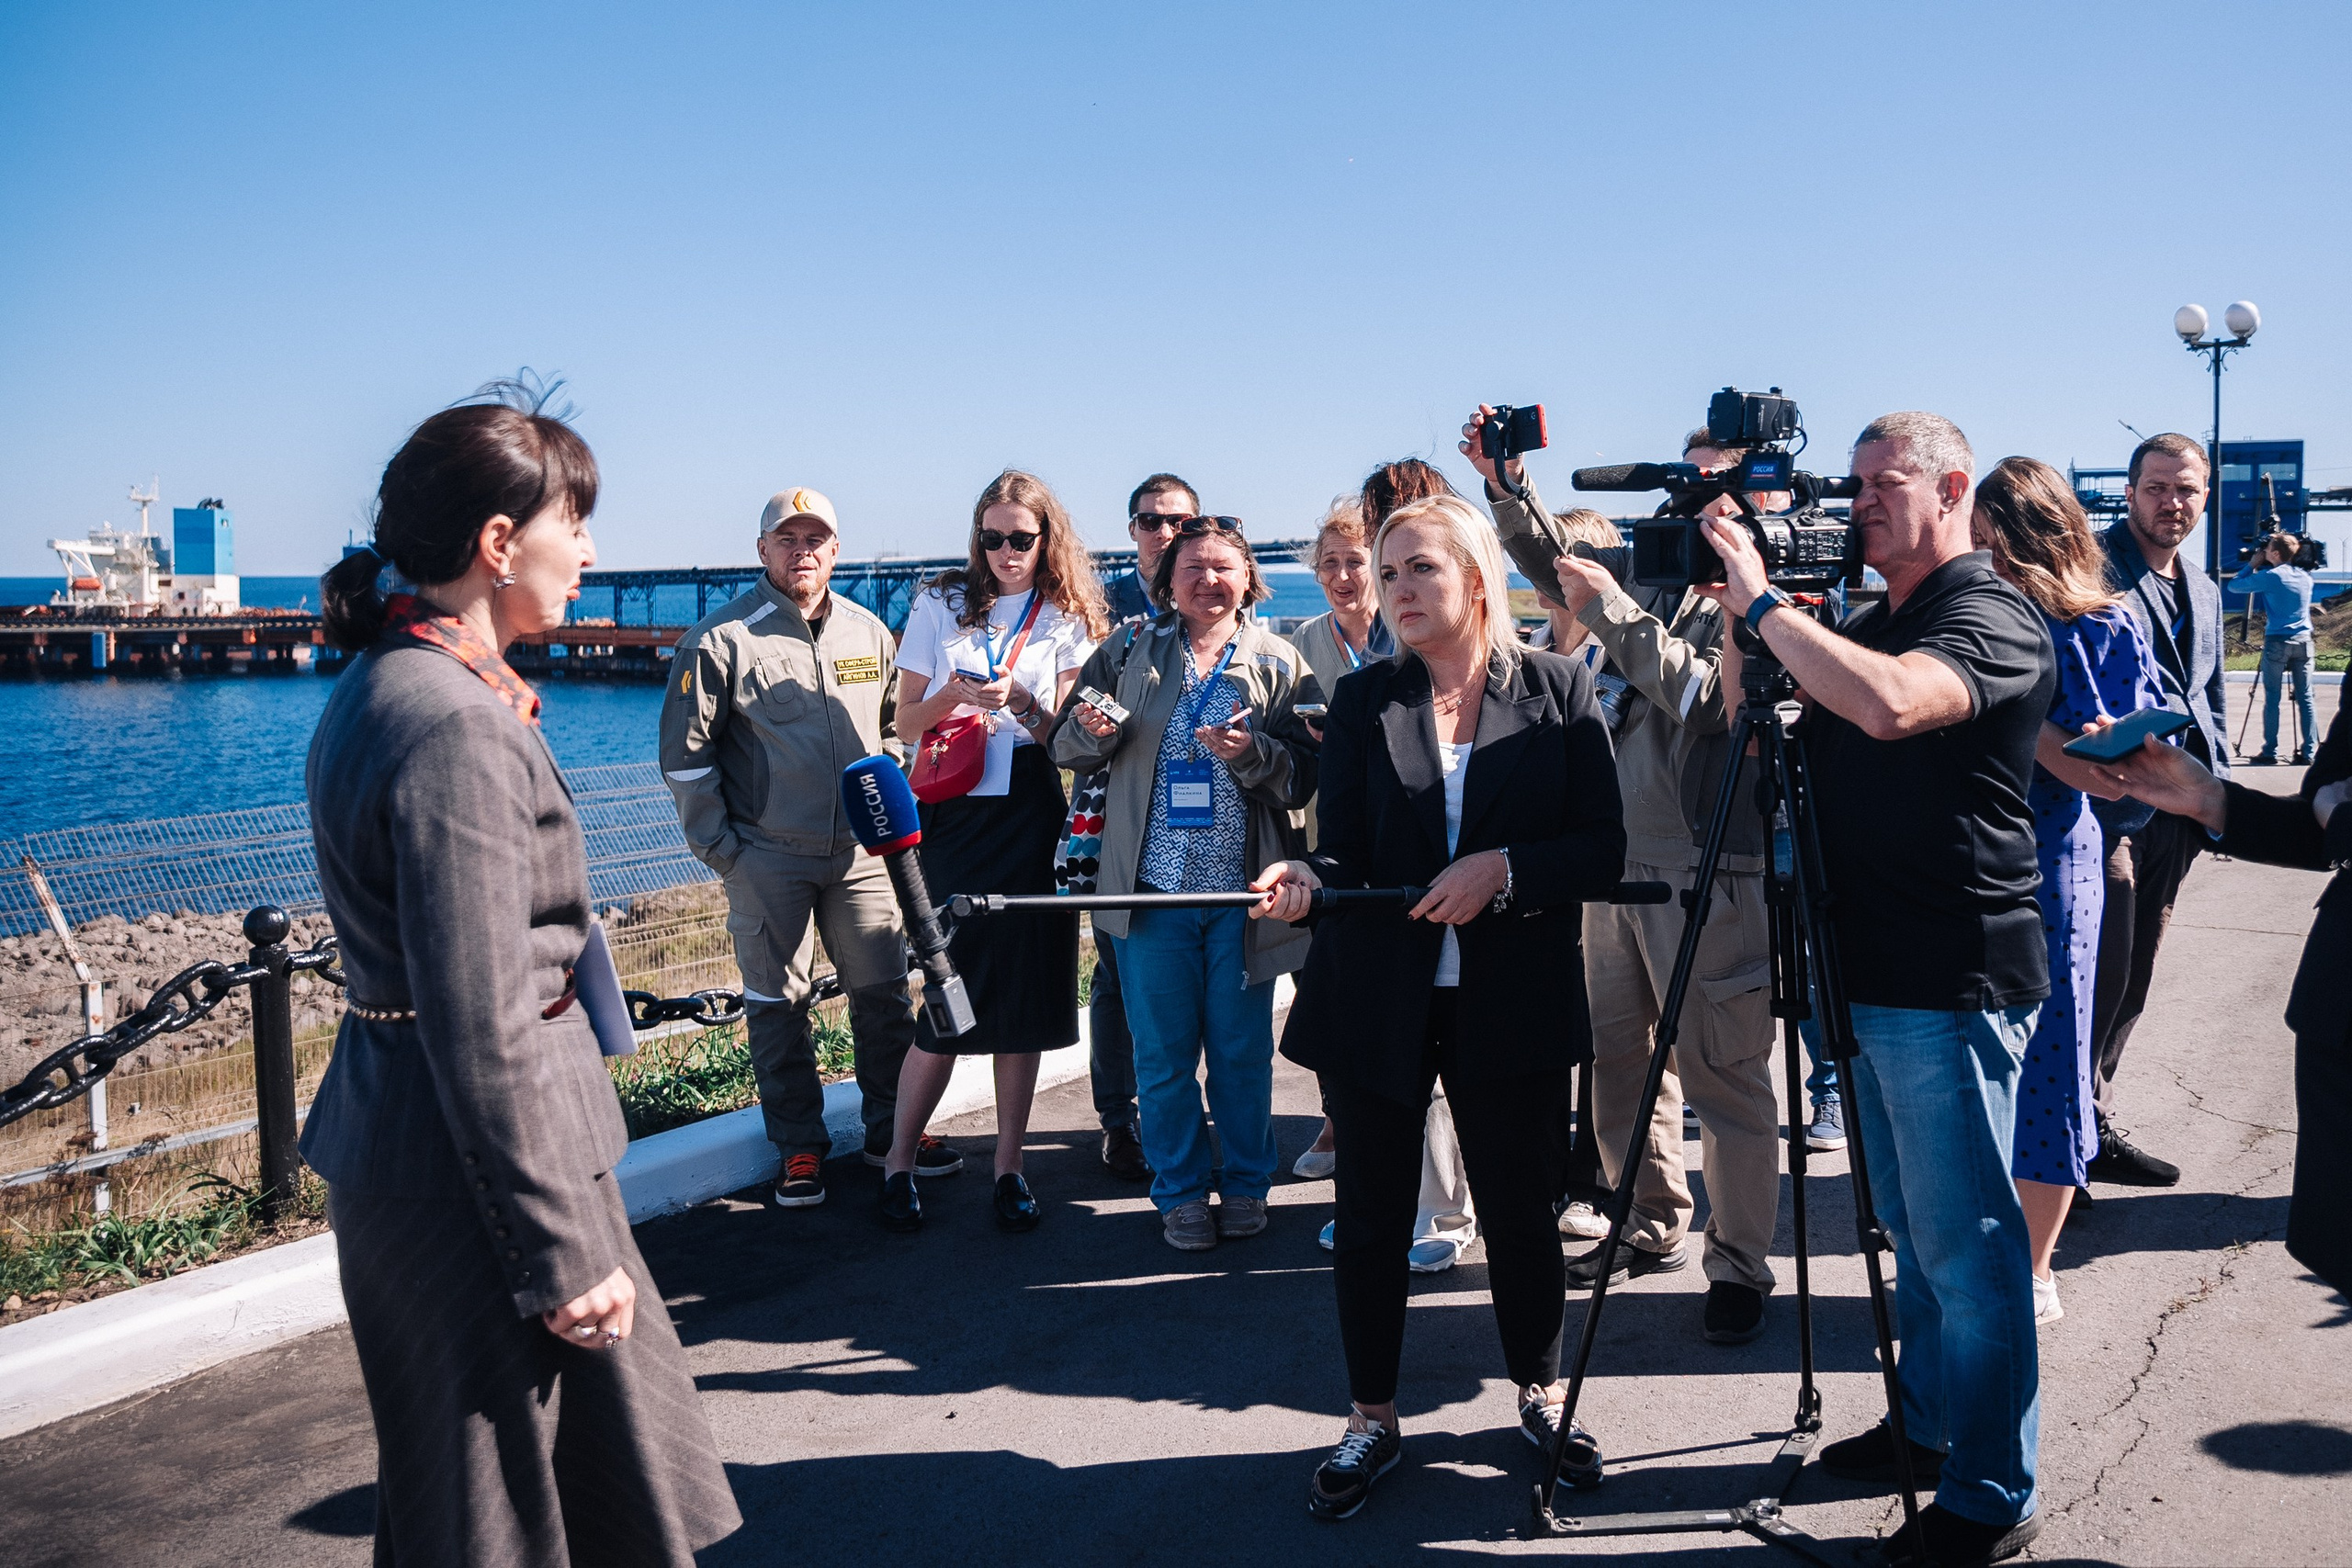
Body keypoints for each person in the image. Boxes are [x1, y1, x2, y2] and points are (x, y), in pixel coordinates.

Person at [305, 382, 740, 1564]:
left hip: (438, 1153)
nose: (592, 553)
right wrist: (558, 1248)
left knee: (522, 1505)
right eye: (575, 524)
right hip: (482, 1182)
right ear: (499, 545)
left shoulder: (398, 681)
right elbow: (485, 1016)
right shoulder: (454, 721)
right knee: (498, 1522)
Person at [1703, 412, 2052, 1565]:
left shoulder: (1988, 612)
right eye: (1849, 485)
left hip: (1949, 977)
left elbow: (1896, 704)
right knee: (1910, 1230)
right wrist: (1742, 624)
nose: (1854, 504)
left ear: (1951, 487)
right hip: (1869, 972)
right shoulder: (1868, 619)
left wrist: (1764, 606)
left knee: (1968, 1244)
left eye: (1877, 483)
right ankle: (1929, 1423)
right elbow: (1770, 744)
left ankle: (1992, 1494)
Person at [1255, 493, 1626, 1522]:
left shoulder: (1556, 690)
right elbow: (1345, 854)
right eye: (1387, 573)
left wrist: (1501, 870)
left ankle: (1540, 1392)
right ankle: (1371, 1417)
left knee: (1519, 1210)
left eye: (1420, 568)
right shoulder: (1368, 700)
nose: (1399, 590)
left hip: (1509, 995)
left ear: (1473, 577)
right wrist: (1302, 874)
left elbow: (1600, 846)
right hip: (1380, 996)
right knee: (1371, 1215)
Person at [1475, 410, 1787, 1348]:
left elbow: (1701, 698)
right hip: (1611, 866)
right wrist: (1505, 485)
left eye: (1713, 488)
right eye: (1682, 487)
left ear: (1761, 501)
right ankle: (1648, 1219)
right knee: (1618, 1064)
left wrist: (1612, 603)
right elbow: (1553, 576)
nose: (1692, 505)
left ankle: (1740, 1266)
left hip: (1707, 868)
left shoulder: (1768, 601)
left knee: (1723, 1079)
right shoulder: (1654, 576)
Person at [661, 487, 940, 1211]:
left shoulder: (870, 633)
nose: (802, 551)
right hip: (767, 856)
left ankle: (891, 1130)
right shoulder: (721, 640)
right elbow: (687, 761)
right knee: (776, 1003)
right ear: (762, 551)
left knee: (883, 996)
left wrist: (889, 812)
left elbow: (893, 731)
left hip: (861, 857)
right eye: (787, 539)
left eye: (816, 539)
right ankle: (799, 1147)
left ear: (835, 551)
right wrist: (727, 852)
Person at [1051, 516, 1319, 1251]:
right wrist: (1095, 735)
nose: (1209, 579)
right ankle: (1178, 1195)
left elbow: (1303, 779)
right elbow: (1065, 745)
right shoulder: (1129, 649)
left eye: (1225, 566)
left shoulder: (1279, 661)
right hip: (1150, 895)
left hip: (1242, 897)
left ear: (1248, 578)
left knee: (1240, 1056)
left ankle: (1244, 1185)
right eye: (1193, 567)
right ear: (1167, 580)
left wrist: (1252, 751)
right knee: (1163, 1058)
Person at [883, 469, 1106, 1232]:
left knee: (1026, 996)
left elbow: (1074, 740)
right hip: (952, 814)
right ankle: (897, 1162)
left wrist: (1021, 700)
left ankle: (1010, 1168)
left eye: (1021, 537)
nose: (1006, 550)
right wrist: (955, 698)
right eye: (992, 537)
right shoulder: (939, 604)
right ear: (976, 539)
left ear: (1046, 540)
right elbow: (907, 722)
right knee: (949, 988)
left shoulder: (1068, 617)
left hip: (1032, 813)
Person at [1971, 457, 2164, 1326]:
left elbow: (2142, 744)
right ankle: (1974, 1258)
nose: (1973, 558)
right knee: (1971, 1077)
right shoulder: (1958, 617)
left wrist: (2099, 745)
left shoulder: (2102, 623)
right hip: (1964, 864)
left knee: (2046, 1069)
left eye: (1987, 541)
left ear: (2027, 537)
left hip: (2053, 861)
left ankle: (2035, 1266)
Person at [2101, 702, 2352, 1300]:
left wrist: (2340, 818)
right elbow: (2318, 820)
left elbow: (2335, 815)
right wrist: (2213, 801)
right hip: (2339, 1025)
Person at [2090, 434, 2228, 1190]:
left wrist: (2219, 797)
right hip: (2110, 808)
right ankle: (2063, 1143)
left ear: (2204, 495)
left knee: (2134, 978)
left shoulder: (2203, 586)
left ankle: (2092, 1119)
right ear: (2132, 490)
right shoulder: (2095, 568)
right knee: (2095, 978)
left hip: (2177, 815)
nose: (2171, 502)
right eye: (2156, 488)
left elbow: (2205, 695)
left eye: (2186, 490)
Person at [1086, 471, 1201, 1180]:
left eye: (1178, 521)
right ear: (1131, 528)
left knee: (1205, 968)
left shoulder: (1213, 581)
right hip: (1118, 814)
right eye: (1150, 520)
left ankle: (1186, 1119)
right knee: (1116, 973)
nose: (1165, 532)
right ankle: (1117, 1120)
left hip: (1203, 820)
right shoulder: (1101, 606)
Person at [2233, 531, 2317, 765]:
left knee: (2273, 698)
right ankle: (2309, 752)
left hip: (2277, 642)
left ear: (2276, 553)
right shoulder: (2305, 577)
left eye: (2268, 548)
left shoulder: (2271, 576)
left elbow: (2234, 586)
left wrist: (2251, 565)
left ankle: (2270, 751)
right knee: (2306, 698)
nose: (2264, 552)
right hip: (2304, 641)